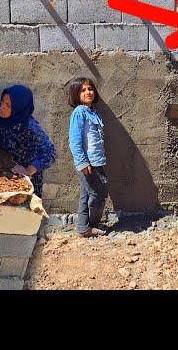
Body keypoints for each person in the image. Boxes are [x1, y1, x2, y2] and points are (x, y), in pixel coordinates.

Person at [68, 77, 109, 238]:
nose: (88, 92)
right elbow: (74, 140)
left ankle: (83, 227)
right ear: (76, 94)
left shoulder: (93, 112)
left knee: (86, 193)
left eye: (90, 89)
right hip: (87, 163)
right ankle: (92, 224)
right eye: (83, 90)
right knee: (98, 194)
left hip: (96, 161)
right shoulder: (79, 113)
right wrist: (82, 162)